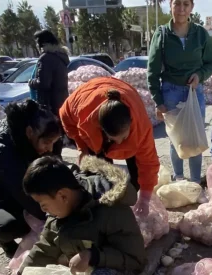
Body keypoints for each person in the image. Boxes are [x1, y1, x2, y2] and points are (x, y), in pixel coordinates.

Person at [0, 100, 62, 257]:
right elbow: (25, 194)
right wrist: (58, 217)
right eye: (47, 142)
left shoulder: (28, 143)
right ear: (29, 132)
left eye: (53, 143)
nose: (50, 148)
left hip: (14, 198)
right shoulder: (4, 153)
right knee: (13, 225)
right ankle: (5, 242)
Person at [59, 77, 160, 215]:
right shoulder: (84, 117)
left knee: (135, 178)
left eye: (123, 138)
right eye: (113, 139)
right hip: (90, 102)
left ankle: (127, 204)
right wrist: (82, 147)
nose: (119, 143)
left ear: (130, 123)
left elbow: (148, 162)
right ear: (101, 129)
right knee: (100, 177)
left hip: (127, 103)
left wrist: (145, 198)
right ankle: (105, 210)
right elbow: (67, 121)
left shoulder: (141, 127)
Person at [147, 0, 212, 183]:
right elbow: (152, 72)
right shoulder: (161, 34)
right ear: (170, 5)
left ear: (191, 7)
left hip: (195, 92)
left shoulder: (200, 33)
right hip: (171, 92)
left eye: (186, 4)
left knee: (195, 137)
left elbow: (211, 63)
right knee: (175, 138)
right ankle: (178, 178)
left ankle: (194, 182)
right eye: (177, 3)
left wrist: (199, 75)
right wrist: (158, 101)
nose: (181, 9)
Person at [28, 29, 69, 157]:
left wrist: (31, 82)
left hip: (48, 106)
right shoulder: (60, 58)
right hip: (60, 104)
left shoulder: (45, 59)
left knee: (47, 139)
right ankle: (58, 163)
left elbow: (43, 83)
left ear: (42, 44)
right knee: (57, 137)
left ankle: (52, 166)